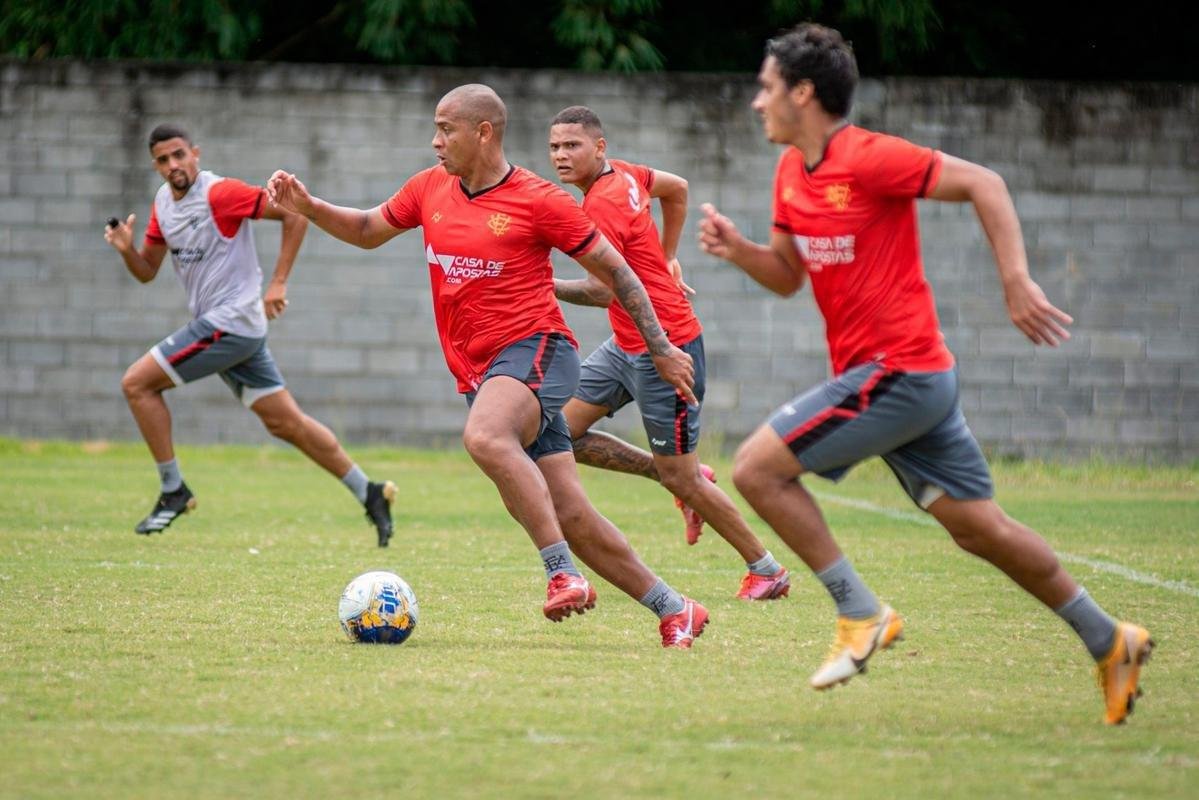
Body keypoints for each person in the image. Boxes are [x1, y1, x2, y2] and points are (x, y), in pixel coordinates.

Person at [698, 24, 1151, 723]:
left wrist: (1015, 281)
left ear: (803, 92)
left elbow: (983, 183)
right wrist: (738, 252)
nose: (756, 102)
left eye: (765, 88)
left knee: (757, 469)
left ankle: (859, 613)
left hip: (900, 373)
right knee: (979, 530)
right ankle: (1108, 638)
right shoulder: (791, 170)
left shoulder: (869, 157)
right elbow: (787, 277)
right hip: (901, 384)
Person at [267, 84, 709, 648]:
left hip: (540, 351)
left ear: (484, 132)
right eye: (435, 128)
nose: (435, 141)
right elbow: (366, 230)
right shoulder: (430, 188)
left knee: (485, 436)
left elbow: (619, 274)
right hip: (484, 370)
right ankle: (676, 609)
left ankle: (560, 573)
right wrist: (309, 207)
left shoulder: (538, 198)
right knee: (572, 514)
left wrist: (663, 348)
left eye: (446, 129)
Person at [104, 124, 396, 546]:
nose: (173, 165)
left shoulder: (220, 194)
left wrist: (277, 283)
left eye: (179, 155)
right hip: (231, 332)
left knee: (136, 384)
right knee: (287, 423)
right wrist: (126, 249)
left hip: (231, 323)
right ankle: (368, 491)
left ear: (195, 154)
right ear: (155, 165)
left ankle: (173, 490)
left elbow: (294, 213)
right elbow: (147, 271)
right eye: (164, 160)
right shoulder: (164, 205)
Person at [547, 105, 790, 601]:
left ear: (599, 147)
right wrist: (669, 254)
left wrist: (539, 284)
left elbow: (601, 291)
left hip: (668, 349)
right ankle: (678, 477)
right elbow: (677, 188)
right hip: (626, 344)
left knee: (683, 480)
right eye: (554, 147)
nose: (560, 156)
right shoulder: (628, 176)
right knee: (557, 432)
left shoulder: (601, 205)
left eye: (572, 146)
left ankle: (766, 568)